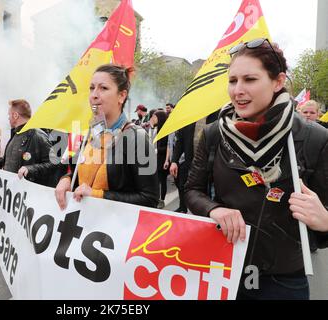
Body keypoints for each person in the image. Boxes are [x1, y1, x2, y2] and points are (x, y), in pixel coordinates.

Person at [184, 38, 328, 300]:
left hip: (284, 281)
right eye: (233, 80)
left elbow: (324, 224)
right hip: (220, 270)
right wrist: (214, 209)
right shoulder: (214, 134)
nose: (238, 90)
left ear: (278, 81)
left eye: (250, 80)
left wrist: (325, 221)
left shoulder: (314, 139)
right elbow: (192, 191)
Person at [55, 64, 159, 210]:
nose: (94, 95)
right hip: (82, 226)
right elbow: (79, 175)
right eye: (92, 88)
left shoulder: (137, 137)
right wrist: (66, 179)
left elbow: (150, 199)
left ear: (121, 96)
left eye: (103, 88)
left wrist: (97, 195)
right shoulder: (91, 132)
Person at [0, 99, 59, 187]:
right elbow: (10, 158)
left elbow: (54, 164)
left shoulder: (37, 135)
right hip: (11, 193)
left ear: (15, 115)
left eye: (9, 115)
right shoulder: (15, 134)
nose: (8, 118)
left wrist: (30, 169)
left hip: (28, 195)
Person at [149, 110, 169, 209]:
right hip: (155, 158)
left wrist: (157, 150)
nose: (154, 119)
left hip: (162, 159)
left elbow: (167, 147)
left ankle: (162, 199)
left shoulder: (166, 130)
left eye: (155, 117)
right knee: (155, 180)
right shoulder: (156, 129)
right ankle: (155, 198)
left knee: (162, 180)